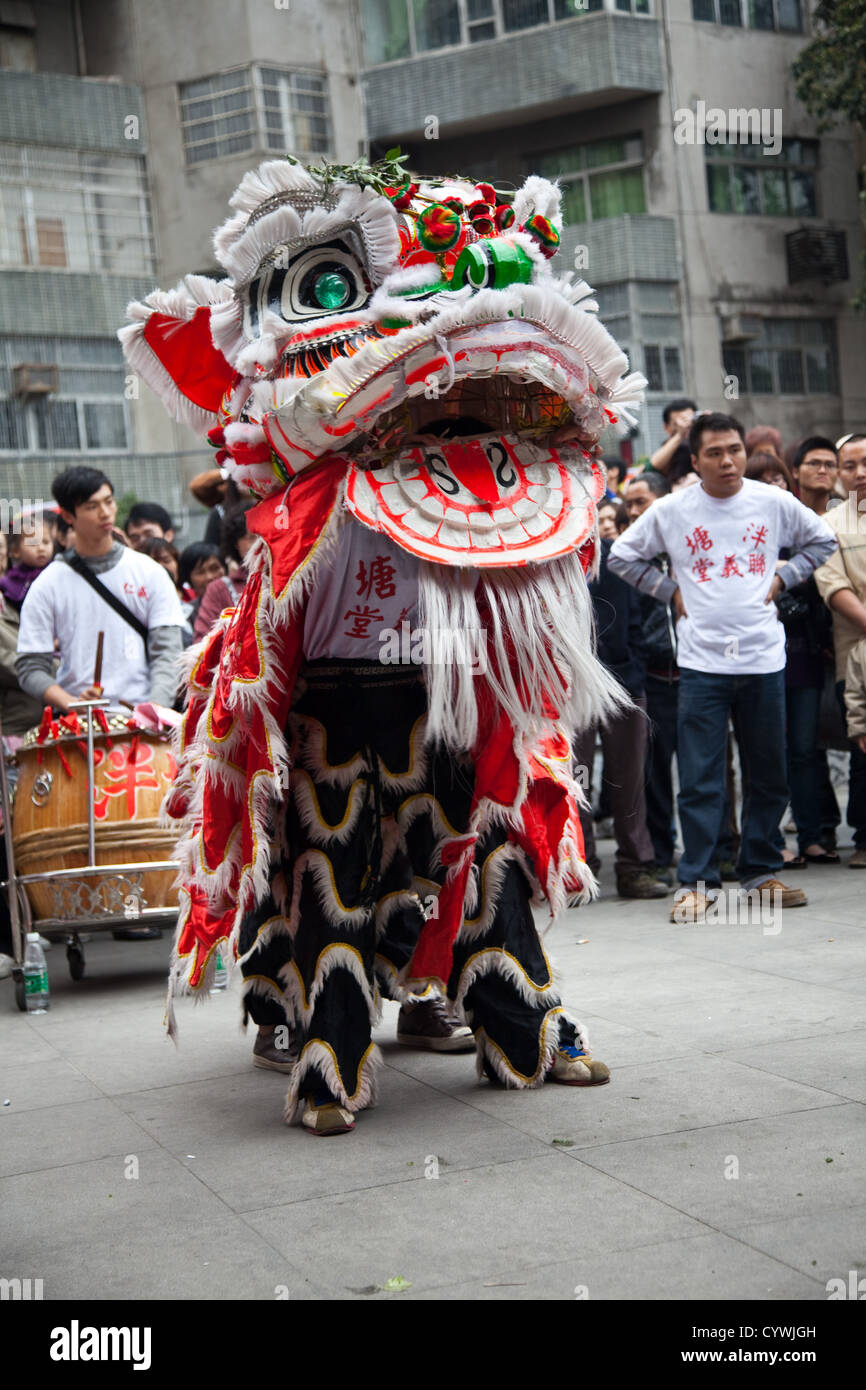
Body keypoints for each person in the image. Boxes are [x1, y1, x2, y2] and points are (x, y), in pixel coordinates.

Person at [609, 412, 837, 921]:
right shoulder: (672, 510)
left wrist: (784, 579)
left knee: (769, 769)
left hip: (763, 657)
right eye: (714, 452)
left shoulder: (773, 502)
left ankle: (758, 869)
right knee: (701, 775)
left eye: (734, 448)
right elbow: (623, 556)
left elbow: (822, 542)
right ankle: (698, 878)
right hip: (702, 661)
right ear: (696, 460)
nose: (728, 460)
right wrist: (669, 592)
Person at [16, 468, 185, 716]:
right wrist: (73, 703)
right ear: (68, 515)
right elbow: (30, 667)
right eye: (91, 506)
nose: (105, 513)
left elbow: (168, 651)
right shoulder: (49, 583)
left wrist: (153, 711)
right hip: (79, 726)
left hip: (143, 720)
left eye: (108, 501)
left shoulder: (149, 572)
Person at [573, 535, 668, 899]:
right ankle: (580, 870)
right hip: (570, 684)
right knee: (575, 779)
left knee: (629, 778)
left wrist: (635, 668)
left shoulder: (618, 554)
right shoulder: (548, 552)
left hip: (623, 679)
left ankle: (635, 867)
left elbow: (643, 616)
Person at [813, 434, 866, 867]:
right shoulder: (829, 526)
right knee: (864, 750)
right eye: (849, 466)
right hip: (857, 656)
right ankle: (865, 837)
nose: (860, 473)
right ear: (837, 474)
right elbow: (836, 589)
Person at [0, 511, 55, 739]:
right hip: (16, 726)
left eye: (0, 547)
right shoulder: (12, 590)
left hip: (48, 721)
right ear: (16, 551)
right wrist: (59, 668)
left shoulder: (49, 582)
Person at [192, 501, 255, 640]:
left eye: (266, 535)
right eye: (251, 537)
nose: (260, 542)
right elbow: (202, 643)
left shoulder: (292, 579)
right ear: (235, 544)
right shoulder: (220, 589)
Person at [649, 398, 697, 482]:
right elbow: (652, 466)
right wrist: (680, 435)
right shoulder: (666, 453)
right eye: (677, 424)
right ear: (666, 427)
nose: (685, 426)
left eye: (690, 421)